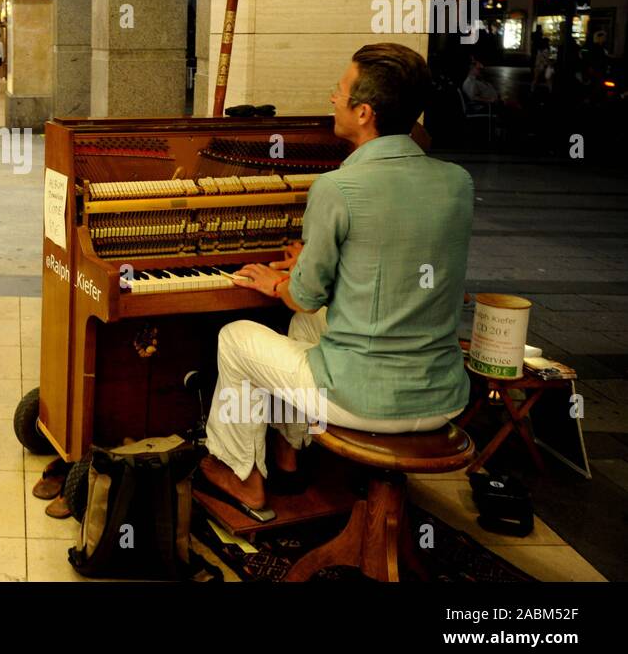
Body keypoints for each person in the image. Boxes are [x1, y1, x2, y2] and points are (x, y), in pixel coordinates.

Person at [197, 43, 474, 519]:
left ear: (364, 112)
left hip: (364, 397)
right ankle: (289, 453)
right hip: (442, 396)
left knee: (236, 338)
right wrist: (329, 261)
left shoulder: (337, 188)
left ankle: (240, 475)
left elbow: (304, 297)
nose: (332, 98)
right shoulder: (457, 183)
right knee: (310, 331)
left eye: (340, 90)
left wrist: (276, 281)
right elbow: (399, 257)